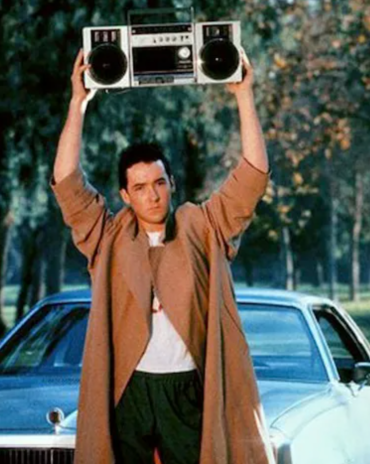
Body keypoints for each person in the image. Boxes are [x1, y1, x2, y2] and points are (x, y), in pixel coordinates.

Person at [51, 48, 275, 464]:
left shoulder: (202, 226)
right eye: (139, 187)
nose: (152, 195)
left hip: (187, 388)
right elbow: (66, 183)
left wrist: (245, 96)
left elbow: (252, 177)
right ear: (124, 195)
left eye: (159, 183)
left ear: (171, 183)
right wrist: (76, 104)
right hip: (129, 390)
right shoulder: (109, 235)